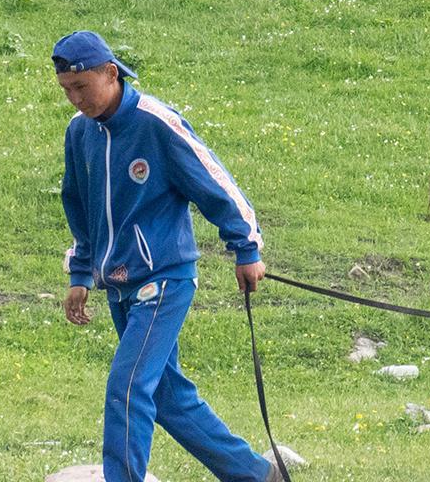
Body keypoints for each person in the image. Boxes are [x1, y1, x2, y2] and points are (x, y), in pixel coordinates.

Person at [53, 30, 279, 482]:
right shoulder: (80, 134)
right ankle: (255, 475)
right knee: (169, 399)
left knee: (128, 386)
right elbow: (78, 207)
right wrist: (81, 273)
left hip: (164, 279)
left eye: (82, 87)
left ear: (111, 73)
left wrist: (246, 247)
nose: (75, 99)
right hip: (118, 285)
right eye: (66, 91)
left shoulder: (157, 123)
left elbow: (215, 182)